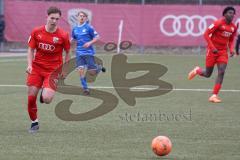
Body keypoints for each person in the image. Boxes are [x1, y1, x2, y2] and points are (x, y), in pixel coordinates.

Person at [26, 6, 70, 133]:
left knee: (47, 99)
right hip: (36, 68)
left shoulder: (63, 35)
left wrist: (65, 69)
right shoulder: (36, 31)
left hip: (53, 70)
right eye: (52, 18)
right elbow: (30, 49)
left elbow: (68, 51)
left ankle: (44, 93)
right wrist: (29, 64)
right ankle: (34, 123)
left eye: (57, 19)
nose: (54, 21)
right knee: (30, 98)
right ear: (47, 17)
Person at [188, 6, 238, 103]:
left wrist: (231, 49)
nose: (232, 15)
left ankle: (214, 95)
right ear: (224, 14)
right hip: (212, 51)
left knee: (222, 71)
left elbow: (231, 40)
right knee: (207, 74)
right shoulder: (218, 23)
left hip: (223, 52)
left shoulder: (233, 27)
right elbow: (206, 34)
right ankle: (197, 70)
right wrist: (212, 48)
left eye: (233, 13)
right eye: (230, 13)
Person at [71, 11, 105, 95]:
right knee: (81, 71)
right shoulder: (75, 29)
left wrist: (90, 43)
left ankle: (99, 68)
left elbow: (97, 37)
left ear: (86, 18)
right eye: (80, 16)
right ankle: (85, 89)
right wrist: (68, 44)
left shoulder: (89, 27)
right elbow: (73, 39)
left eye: (83, 16)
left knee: (92, 73)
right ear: (77, 17)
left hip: (88, 52)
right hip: (79, 53)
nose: (82, 17)